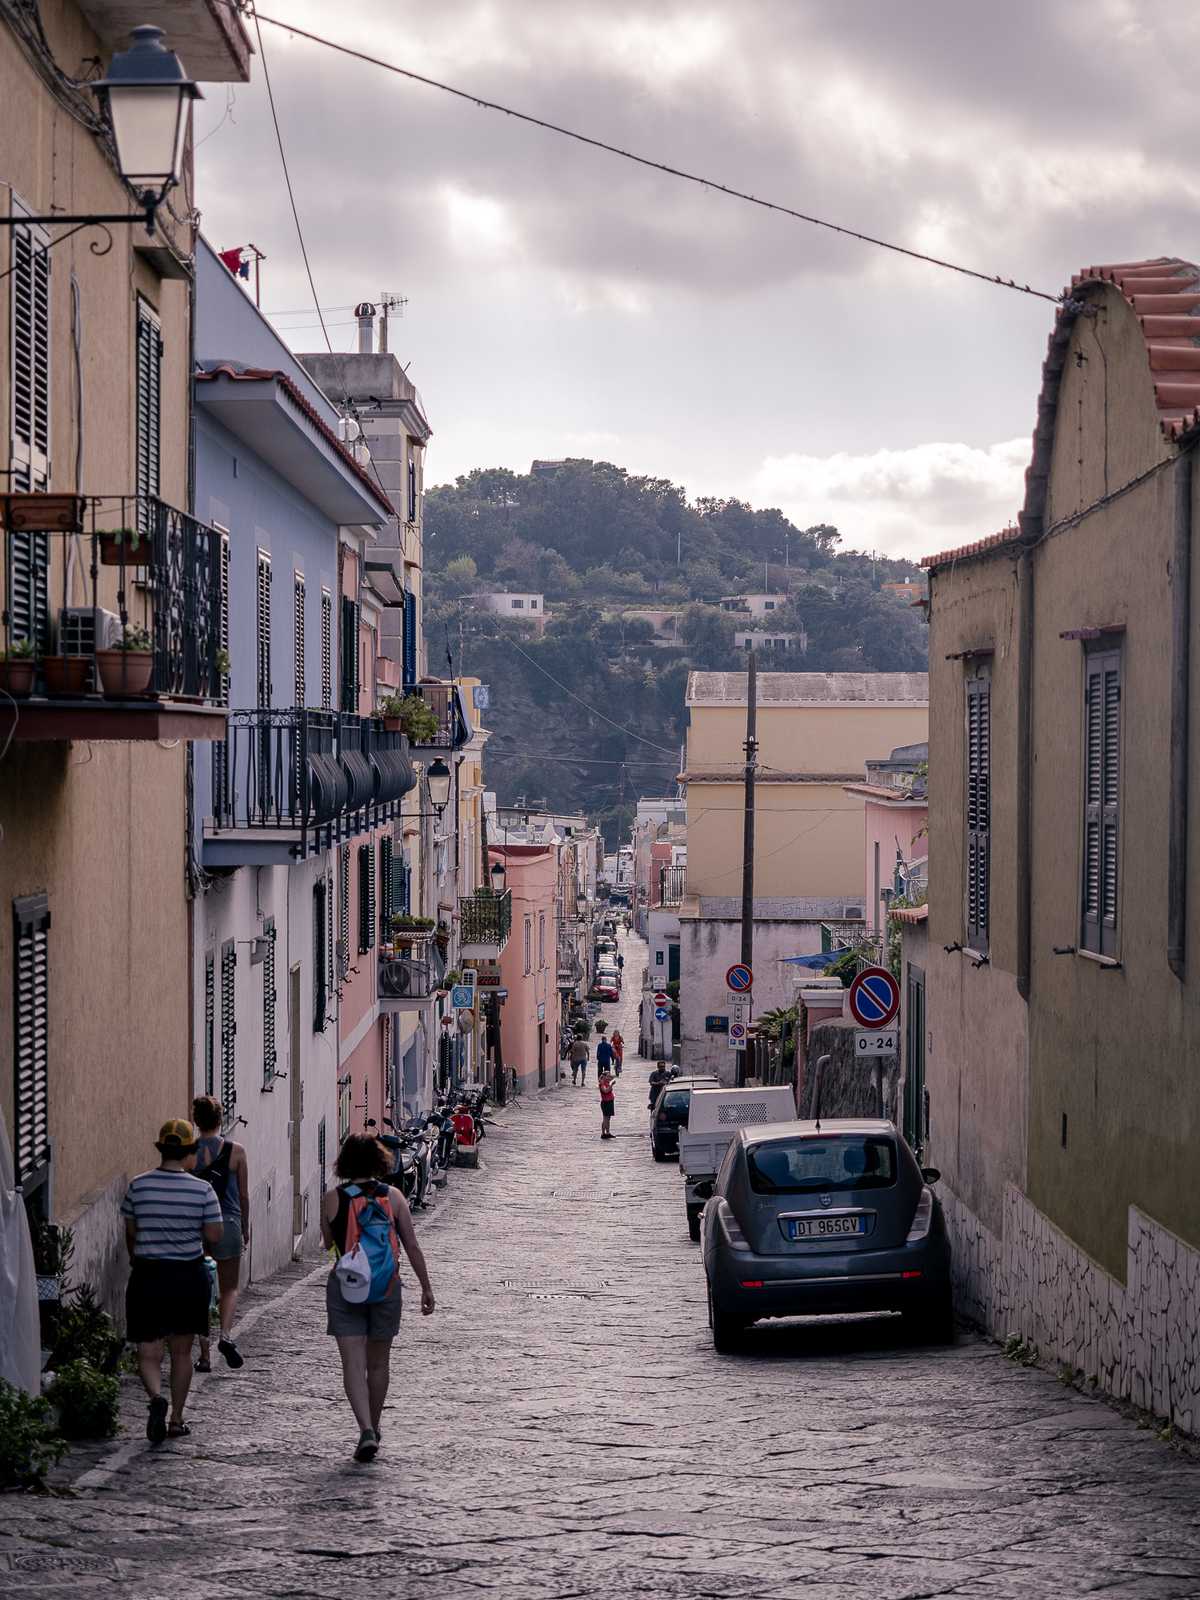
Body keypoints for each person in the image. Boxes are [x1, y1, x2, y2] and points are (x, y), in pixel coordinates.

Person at [321, 1132, 435, 1463]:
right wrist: (426, 1287)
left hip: (346, 1287)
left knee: (352, 1363)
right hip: (386, 1287)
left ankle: (365, 1429)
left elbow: (329, 1244)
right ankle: (375, 1424)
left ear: (344, 1162)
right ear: (378, 1161)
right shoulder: (394, 1197)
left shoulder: (333, 1197)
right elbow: (411, 1245)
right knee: (379, 1362)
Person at [121, 1119, 223, 1445]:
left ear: (161, 1149)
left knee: (148, 1350)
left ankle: (155, 1398)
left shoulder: (138, 1186)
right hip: (187, 1276)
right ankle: (176, 1419)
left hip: (148, 1274)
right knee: (181, 1352)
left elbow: (131, 1232)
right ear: (190, 1152)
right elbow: (214, 1235)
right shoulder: (203, 1190)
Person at [191, 1095, 249, 1372]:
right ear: (221, 1118)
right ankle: (225, 1336)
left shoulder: (188, 1151)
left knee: (200, 1290)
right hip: (228, 1222)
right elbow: (244, 1194)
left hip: (197, 1225)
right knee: (229, 1288)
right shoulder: (236, 1151)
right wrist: (245, 1227)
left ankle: (203, 1355)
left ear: (196, 1120)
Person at [598, 1069, 616, 1140]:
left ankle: (607, 1132)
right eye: (607, 1076)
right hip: (606, 1102)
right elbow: (605, 1091)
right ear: (604, 1077)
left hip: (609, 1102)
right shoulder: (602, 1083)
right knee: (605, 1118)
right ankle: (603, 1133)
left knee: (608, 1118)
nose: (609, 1077)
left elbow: (612, 1077)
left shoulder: (606, 1081)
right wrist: (611, 1085)